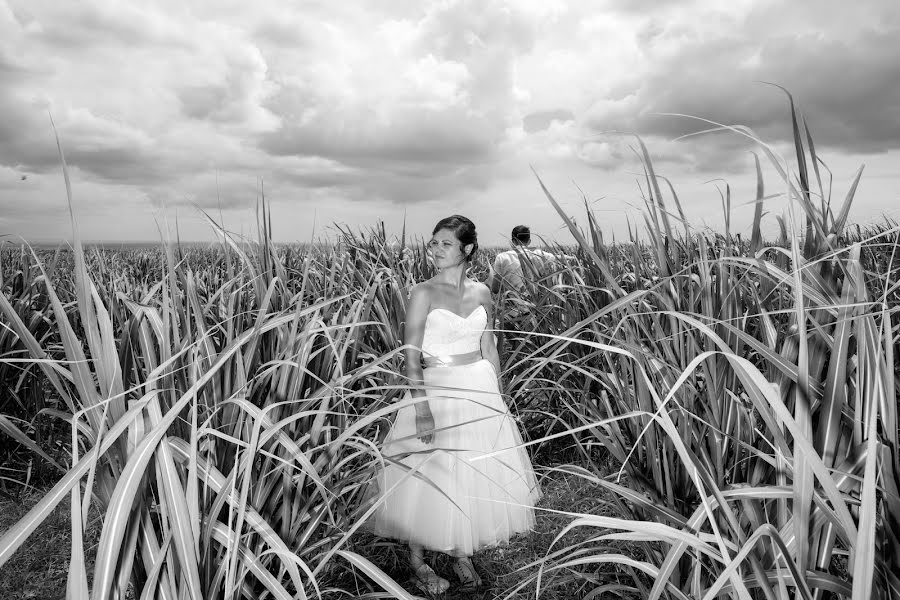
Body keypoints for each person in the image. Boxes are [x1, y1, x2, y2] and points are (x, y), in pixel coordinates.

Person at [367, 215, 541, 595]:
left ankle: (462, 550)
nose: (435, 250)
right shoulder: (423, 293)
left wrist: (497, 395)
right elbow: (411, 357)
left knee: (472, 468)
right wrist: (422, 409)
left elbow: (488, 344)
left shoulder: (481, 292)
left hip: (478, 388)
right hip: (437, 389)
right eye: (433, 243)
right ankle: (417, 561)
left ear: (467, 249)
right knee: (429, 469)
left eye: (444, 243)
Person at [488, 225, 557, 296]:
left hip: (510, 303)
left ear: (513, 241)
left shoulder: (501, 257)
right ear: (529, 241)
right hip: (535, 303)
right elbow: (560, 258)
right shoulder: (539, 254)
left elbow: (495, 289)